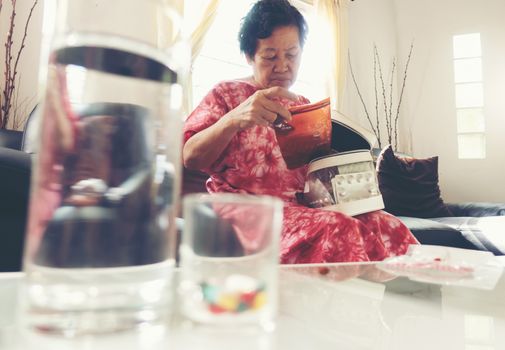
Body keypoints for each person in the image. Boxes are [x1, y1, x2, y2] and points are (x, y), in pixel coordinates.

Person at [183, 0, 418, 264]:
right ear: (250, 57)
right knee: (337, 228)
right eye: (270, 56)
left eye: (292, 54)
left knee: (388, 226)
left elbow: (313, 176)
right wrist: (233, 119)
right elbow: (190, 156)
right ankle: (350, 304)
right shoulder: (226, 94)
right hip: (249, 210)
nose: (282, 66)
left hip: (303, 206)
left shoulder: (302, 105)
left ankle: (409, 301)